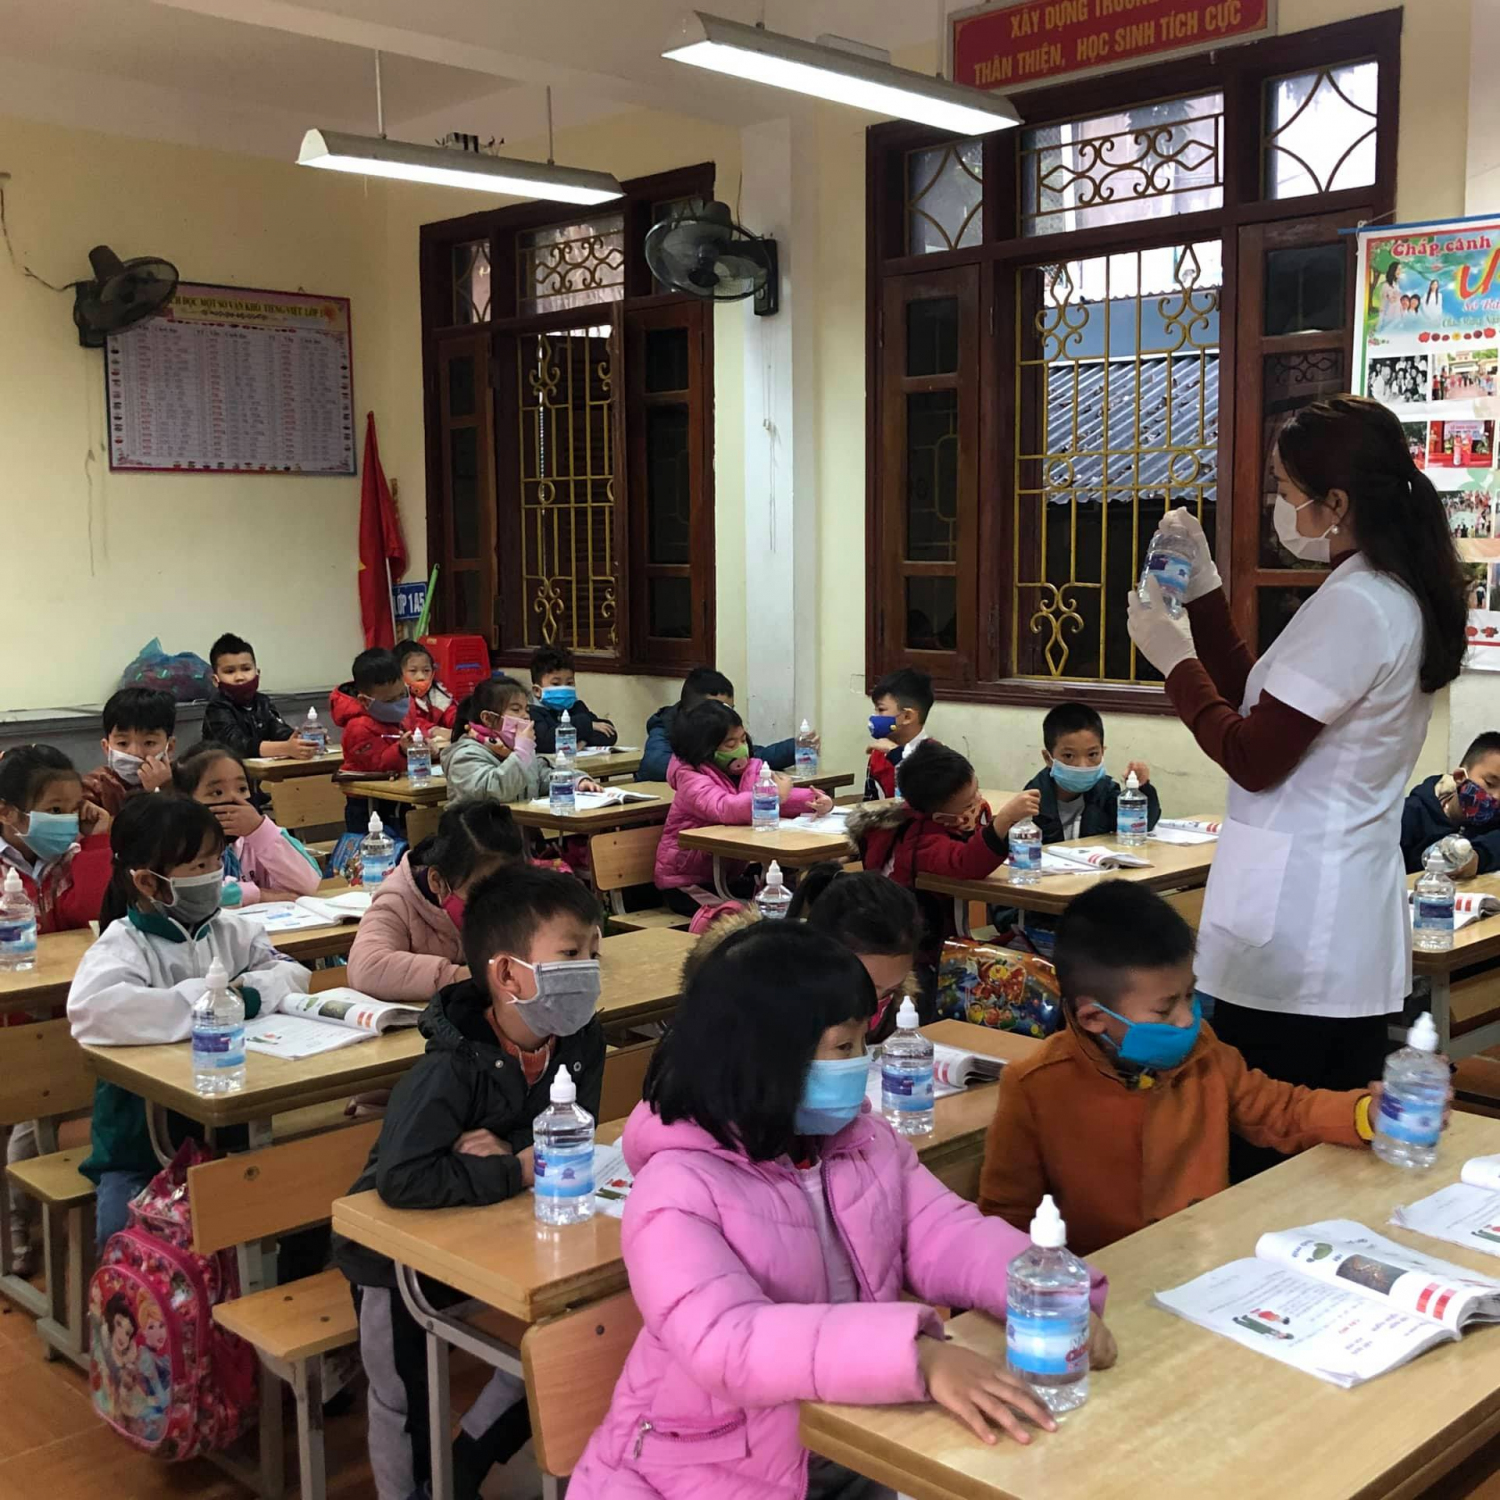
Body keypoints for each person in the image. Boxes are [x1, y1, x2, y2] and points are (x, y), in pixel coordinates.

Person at [569, 922, 1115, 1499]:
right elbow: (730, 1341)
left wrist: (1048, 1293)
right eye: (843, 1048)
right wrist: (916, 1357)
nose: (860, 1064)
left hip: (845, 1439)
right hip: (707, 1472)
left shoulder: (863, 1143)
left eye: (861, 1043)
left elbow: (943, 1233)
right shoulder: (676, 1190)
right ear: (769, 1058)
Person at [1126, 396, 1468, 1173]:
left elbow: (1254, 755)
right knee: (1314, 1155)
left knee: (1276, 1154)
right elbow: (1264, 704)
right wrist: (1204, 595)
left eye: (1285, 487)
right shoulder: (1374, 591)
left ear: (1336, 503)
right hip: (1319, 919)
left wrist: (1173, 660)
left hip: (1304, 937)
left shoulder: (1361, 605)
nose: (1277, 504)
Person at [333, 864, 606, 1500]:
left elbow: (567, 1135)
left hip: (501, 1237)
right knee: (403, 1394)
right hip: (395, 1261)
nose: (590, 969)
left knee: (564, 1340)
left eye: (595, 952)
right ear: (508, 974)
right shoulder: (450, 1067)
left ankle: (463, 1469)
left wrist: (509, 1158)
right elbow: (404, 1178)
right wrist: (513, 1167)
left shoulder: (579, 1038)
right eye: (571, 954)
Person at [977, 884, 1400, 1255]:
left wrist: (1366, 1113)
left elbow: (1281, 1111)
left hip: (1207, 1263)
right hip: (1100, 1285)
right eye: (1164, 1009)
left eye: (1190, 995)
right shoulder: (1036, 1085)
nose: (1185, 1019)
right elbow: (1007, 1215)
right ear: (1093, 1018)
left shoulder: (1203, 1053)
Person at [66, 796, 308, 1244]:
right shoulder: (124, 944)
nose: (214, 875)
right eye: (198, 866)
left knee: (290, 1209)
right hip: (140, 1144)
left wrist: (247, 996)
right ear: (148, 882)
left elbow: (292, 973)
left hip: (236, 1123)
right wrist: (209, 1002)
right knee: (128, 1238)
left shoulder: (232, 929)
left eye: (217, 861)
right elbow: (92, 1011)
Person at [0, 745, 112, 1275]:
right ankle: (16, 1220)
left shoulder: (69, 857)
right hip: (15, 1021)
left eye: (74, 809)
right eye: (54, 810)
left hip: (68, 1010)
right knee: (33, 1111)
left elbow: (89, 912)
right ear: (8, 813)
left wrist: (98, 841)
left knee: (64, 1101)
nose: (67, 821)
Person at [850, 743, 1040, 982]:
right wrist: (1003, 821)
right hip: (917, 948)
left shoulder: (945, 821)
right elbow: (965, 863)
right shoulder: (919, 842)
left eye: (977, 791)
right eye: (968, 804)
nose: (978, 802)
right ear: (940, 816)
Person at [654, 700, 829, 915]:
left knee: (788, 901)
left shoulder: (752, 769)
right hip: (686, 881)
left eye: (743, 739)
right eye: (730, 744)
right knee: (747, 916)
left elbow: (778, 801)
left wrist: (814, 801)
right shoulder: (691, 777)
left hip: (727, 875)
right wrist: (775, 795)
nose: (741, 748)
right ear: (705, 747)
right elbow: (724, 807)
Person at [346, 801, 523, 1003]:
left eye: (507, 889)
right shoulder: (398, 901)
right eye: (482, 892)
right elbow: (367, 968)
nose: (497, 905)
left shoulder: (523, 900)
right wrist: (459, 977)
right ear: (437, 881)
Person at [786, 865, 924, 1043]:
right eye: (866, 989)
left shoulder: (895, 1009)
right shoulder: (767, 1012)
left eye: (891, 990)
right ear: (819, 960)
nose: (874, 1007)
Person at [172, 742, 321, 906]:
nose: (234, 799)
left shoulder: (258, 837)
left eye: (242, 789)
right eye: (217, 792)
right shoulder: (175, 844)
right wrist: (257, 894)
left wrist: (260, 831)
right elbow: (186, 895)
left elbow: (309, 885)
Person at [638, 667, 803, 784]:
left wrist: (798, 746)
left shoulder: (727, 733)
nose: (726, 716)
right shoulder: (665, 726)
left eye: (730, 709)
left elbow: (755, 756)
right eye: (718, 709)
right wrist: (720, 763)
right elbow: (654, 766)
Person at [1025, 702, 1160, 844]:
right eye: (1069, 756)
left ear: (1103, 752)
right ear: (1048, 758)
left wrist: (1141, 788)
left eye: (1092, 754)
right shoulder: (1033, 800)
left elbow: (1140, 826)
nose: (1083, 765)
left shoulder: (1105, 792)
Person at [200, 632, 315, 765]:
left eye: (246, 669)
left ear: (257, 673)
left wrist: (304, 740)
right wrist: (285, 748)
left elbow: (278, 729)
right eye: (230, 671)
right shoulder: (217, 707)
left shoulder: (262, 702)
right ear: (216, 680)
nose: (240, 677)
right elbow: (237, 745)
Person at [1401, 732, 1500, 877]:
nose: (1497, 796)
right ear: (1460, 777)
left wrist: (1478, 856)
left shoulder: (1495, 818)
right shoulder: (1408, 815)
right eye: (1490, 783)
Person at [441, 676, 544, 806]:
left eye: (526, 710)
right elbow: (493, 793)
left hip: (520, 819)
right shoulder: (464, 756)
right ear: (488, 718)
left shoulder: (519, 749)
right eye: (516, 709)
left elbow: (539, 780)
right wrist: (521, 753)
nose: (526, 716)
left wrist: (568, 778)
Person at [82, 688, 177, 817]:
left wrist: (164, 790)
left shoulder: (185, 780)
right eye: (123, 743)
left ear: (169, 747)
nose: (135, 753)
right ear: (106, 748)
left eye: (149, 743)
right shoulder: (94, 786)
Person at [528, 645, 616, 754]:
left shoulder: (576, 707)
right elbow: (545, 742)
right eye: (556, 683)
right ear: (537, 691)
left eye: (569, 683)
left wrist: (583, 741)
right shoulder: (532, 713)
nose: (564, 688)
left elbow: (609, 733)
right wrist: (586, 726)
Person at [864, 667, 935, 800]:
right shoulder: (879, 754)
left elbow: (924, 800)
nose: (875, 717)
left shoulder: (936, 757)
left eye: (881, 710)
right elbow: (870, 803)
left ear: (907, 716)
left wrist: (896, 754)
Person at [395, 639, 457, 741]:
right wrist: (434, 730)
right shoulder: (398, 697)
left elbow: (451, 712)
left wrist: (461, 723)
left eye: (426, 670)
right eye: (413, 671)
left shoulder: (438, 694)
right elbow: (411, 723)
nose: (421, 677)